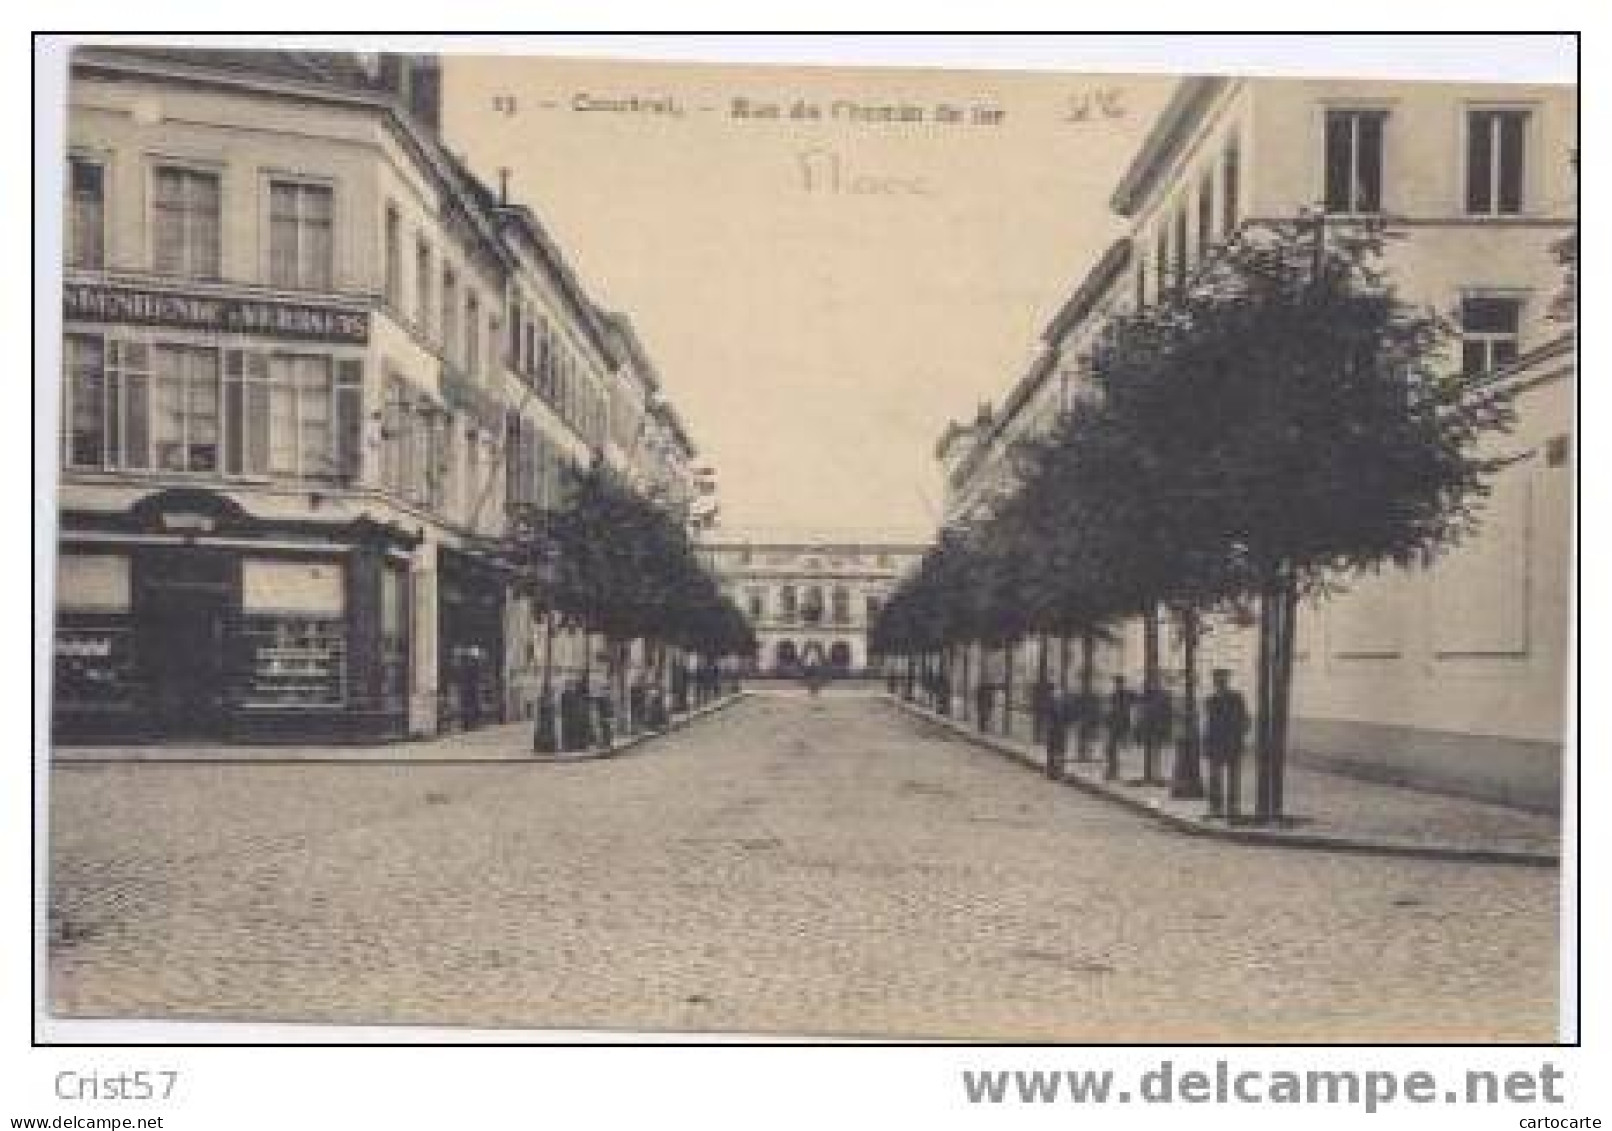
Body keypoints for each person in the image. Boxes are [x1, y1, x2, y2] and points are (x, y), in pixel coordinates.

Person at [1203, 668, 1250, 819]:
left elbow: (1245, 719)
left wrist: (1239, 734)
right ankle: (1215, 807)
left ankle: (1233, 807)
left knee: (1234, 778)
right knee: (1215, 778)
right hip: (1216, 743)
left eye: (1223, 679)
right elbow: (1208, 723)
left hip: (1232, 743)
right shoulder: (1210, 700)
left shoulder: (1237, 698)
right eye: (1217, 680)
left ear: (1227, 681)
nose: (1220, 682)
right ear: (1214, 682)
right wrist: (1206, 742)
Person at [1104, 675, 1132, 780]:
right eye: (1116, 684)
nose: (1117, 685)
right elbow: (1110, 709)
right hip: (1114, 724)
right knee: (1110, 748)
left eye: (1118, 683)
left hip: (1121, 724)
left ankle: (1114, 771)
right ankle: (1112, 770)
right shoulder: (1114, 695)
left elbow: (1125, 710)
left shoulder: (1127, 694)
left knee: (1115, 748)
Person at [1045, 687, 1070, 779]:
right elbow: (1048, 716)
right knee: (1053, 751)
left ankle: (1058, 771)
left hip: (1060, 730)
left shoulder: (1065, 705)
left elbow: (1067, 716)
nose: (1058, 699)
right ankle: (1051, 771)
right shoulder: (1051, 704)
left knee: (1059, 751)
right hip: (1053, 730)